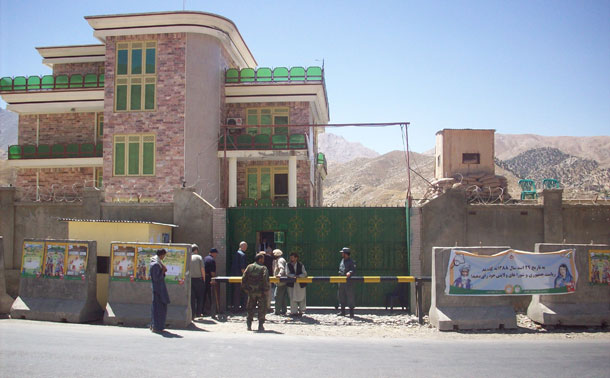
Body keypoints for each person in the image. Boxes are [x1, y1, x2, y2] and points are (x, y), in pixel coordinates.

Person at [241, 251, 270, 331]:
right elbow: (265, 279)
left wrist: (246, 289)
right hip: (261, 292)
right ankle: (260, 325)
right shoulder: (264, 268)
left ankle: (249, 325)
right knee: (262, 308)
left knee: (250, 308)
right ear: (260, 259)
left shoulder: (249, 267)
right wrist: (266, 289)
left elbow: (244, 278)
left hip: (251, 292)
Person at [150, 248, 170, 333]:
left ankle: (156, 325)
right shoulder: (155, 264)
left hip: (158, 289)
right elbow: (156, 278)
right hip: (158, 290)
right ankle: (157, 327)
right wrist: (163, 270)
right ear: (161, 255)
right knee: (159, 309)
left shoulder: (157, 263)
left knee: (158, 308)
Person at [286, 252, 307, 317]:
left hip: (300, 283)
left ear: (296, 258)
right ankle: (294, 311)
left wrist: (299, 276)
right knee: (292, 297)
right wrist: (293, 276)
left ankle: (301, 310)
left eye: (293, 257)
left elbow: (305, 273)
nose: (291, 258)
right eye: (291, 257)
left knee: (302, 297)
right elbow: (287, 273)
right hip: (292, 283)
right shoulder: (288, 265)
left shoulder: (301, 265)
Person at [337, 247, 356, 318]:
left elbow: (353, 270)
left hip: (348, 282)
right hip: (341, 280)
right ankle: (342, 311)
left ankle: (351, 312)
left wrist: (350, 273)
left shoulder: (351, 261)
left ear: (346, 254)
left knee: (350, 296)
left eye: (343, 253)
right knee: (341, 295)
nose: (342, 254)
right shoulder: (342, 260)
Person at [230, 241, 248, 312]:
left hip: (234, 276)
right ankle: (243, 307)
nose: (246, 248)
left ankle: (235, 307)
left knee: (236, 292)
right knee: (244, 293)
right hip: (240, 277)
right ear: (242, 246)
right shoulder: (242, 255)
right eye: (246, 246)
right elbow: (243, 268)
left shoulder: (236, 254)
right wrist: (245, 276)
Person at [190, 244, 205, 318]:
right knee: (200, 297)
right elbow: (202, 269)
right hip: (198, 279)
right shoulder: (199, 257)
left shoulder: (188, 257)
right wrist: (204, 279)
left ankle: (192, 314)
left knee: (192, 298)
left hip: (190, 280)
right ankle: (199, 313)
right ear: (196, 250)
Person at [202, 248, 219, 317]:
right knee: (211, 296)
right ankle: (213, 312)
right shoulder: (212, 260)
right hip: (209, 279)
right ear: (213, 253)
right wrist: (215, 278)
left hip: (203, 279)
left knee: (203, 296)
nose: (216, 255)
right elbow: (212, 273)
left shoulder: (205, 258)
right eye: (216, 253)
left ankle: (201, 311)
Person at [273, 249, 288, 315]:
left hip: (280, 282)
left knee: (277, 296)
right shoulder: (282, 259)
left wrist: (279, 275)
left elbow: (281, 268)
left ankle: (277, 311)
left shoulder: (280, 261)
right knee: (283, 297)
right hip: (284, 281)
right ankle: (284, 310)